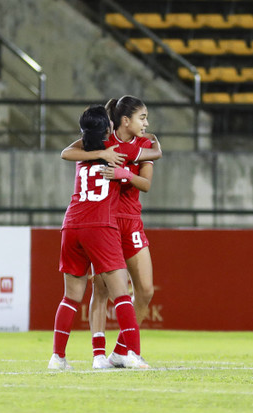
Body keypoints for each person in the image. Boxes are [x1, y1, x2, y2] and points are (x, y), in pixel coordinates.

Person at [61, 95, 160, 369]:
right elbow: (68, 152)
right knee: (102, 290)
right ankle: (99, 355)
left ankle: (122, 350)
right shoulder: (104, 141)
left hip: (132, 222)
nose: (146, 123)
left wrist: (124, 175)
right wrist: (101, 154)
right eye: (142, 117)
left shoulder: (144, 144)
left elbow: (147, 184)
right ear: (125, 120)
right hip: (106, 222)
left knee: (146, 290)